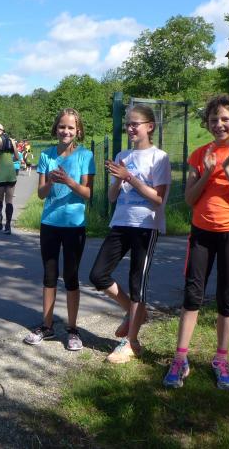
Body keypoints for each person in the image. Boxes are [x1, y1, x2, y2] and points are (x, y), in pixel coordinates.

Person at [163, 94, 229, 390]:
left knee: (226, 296)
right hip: (202, 232)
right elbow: (190, 199)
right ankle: (180, 359)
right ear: (207, 123)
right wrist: (208, 171)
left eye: (225, 119)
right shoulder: (199, 155)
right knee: (192, 294)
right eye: (213, 119)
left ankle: (221, 360)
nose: (219, 124)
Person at [88, 105, 171, 363]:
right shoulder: (122, 155)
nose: (130, 128)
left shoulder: (159, 157)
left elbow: (159, 198)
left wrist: (130, 177)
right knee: (98, 274)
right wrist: (118, 179)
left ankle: (131, 342)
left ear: (150, 126)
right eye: (128, 124)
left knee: (138, 284)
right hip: (121, 223)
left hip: (146, 225)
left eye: (135, 124)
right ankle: (135, 313)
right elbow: (112, 197)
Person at [24, 109, 95, 351]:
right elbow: (41, 193)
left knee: (71, 276)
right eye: (62, 127)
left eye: (71, 127)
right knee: (49, 275)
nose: (66, 131)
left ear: (78, 131)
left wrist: (69, 182)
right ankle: (47, 326)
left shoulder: (85, 155)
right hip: (50, 224)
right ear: (56, 129)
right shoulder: (46, 155)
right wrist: (52, 181)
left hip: (74, 226)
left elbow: (88, 193)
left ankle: (73, 329)